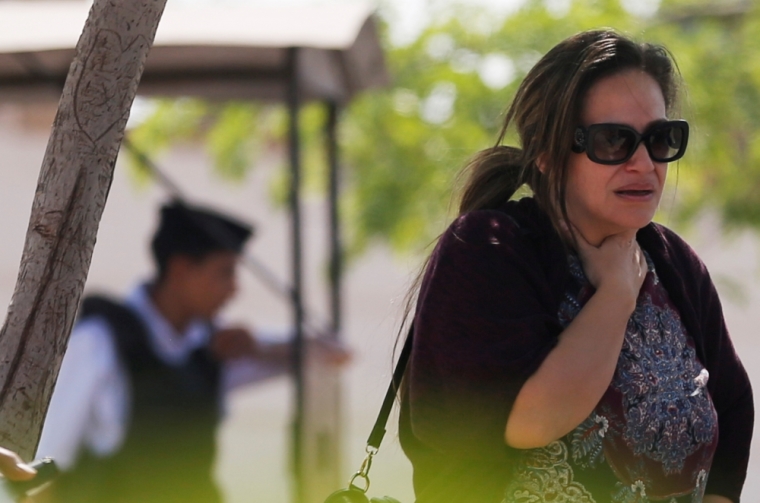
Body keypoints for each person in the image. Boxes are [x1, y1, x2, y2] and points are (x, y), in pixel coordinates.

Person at [399, 29, 753, 503]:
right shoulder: (488, 251)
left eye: (660, 138)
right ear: (547, 151)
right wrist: (616, 294)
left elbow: (732, 410)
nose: (644, 163)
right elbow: (532, 420)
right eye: (614, 141)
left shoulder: (673, 263)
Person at [35, 200, 343, 503]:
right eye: (224, 273)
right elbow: (45, 463)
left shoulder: (212, 348)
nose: (235, 289)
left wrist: (260, 350)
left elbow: (336, 353)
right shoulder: (99, 342)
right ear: (181, 269)